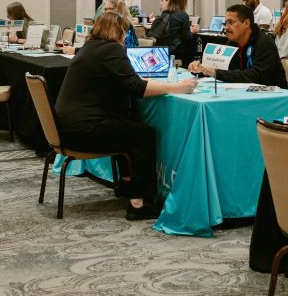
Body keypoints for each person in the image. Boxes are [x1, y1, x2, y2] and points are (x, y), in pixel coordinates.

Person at [55, 13, 197, 220]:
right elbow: (137, 88)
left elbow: (123, 79)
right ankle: (139, 203)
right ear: (119, 30)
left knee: (127, 124)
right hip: (84, 130)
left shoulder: (90, 47)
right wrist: (178, 87)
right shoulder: (111, 49)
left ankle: (127, 183)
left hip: (67, 127)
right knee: (143, 135)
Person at [188, 4, 287, 87]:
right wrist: (200, 68)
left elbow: (256, 76)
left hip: (272, 98)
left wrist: (216, 72)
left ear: (246, 23)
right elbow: (224, 69)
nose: (226, 28)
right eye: (225, 23)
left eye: (231, 23)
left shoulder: (264, 43)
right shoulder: (233, 42)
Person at [159, 0, 196, 66]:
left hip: (163, 48)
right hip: (176, 50)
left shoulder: (165, 13)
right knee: (192, 45)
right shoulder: (183, 15)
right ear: (183, 2)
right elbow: (187, 37)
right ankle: (189, 68)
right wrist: (193, 32)